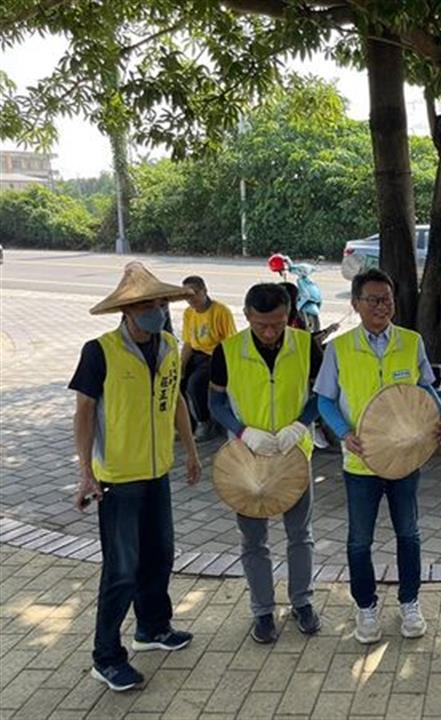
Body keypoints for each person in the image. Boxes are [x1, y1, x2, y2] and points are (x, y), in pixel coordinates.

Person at [69, 262, 201, 692]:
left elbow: (176, 397)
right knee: (122, 569)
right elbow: (85, 411)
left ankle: (153, 628)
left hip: (156, 470)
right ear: (127, 310)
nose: (156, 310)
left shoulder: (166, 345)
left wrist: (192, 451)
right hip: (118, 480)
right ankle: (106, 657)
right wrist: (85, 473)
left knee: (161, 554)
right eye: (147, 303)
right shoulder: (100, 350)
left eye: (160, 302)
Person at [315, 268, 441, 644]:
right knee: (360, 540)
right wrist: (343, 433)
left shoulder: (411, 342)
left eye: (387, 299)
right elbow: (324, 400)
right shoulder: (340, 349)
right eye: (373, 300)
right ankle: (366, 608)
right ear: (356, 304)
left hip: (406, 459)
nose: (382, 306)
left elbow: (424, 387)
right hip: (360, 464)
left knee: (409, 534)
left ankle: (410, 603)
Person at [207, 283, 323, 644]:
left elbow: (321, 395)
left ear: (289, 315)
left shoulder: (307, 346)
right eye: (261, 325)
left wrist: (300, 423)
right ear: (247, 317)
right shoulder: (227, 351)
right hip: (247, 459)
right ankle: (262, 611)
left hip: (294, 456)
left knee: (299, 535)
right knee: (253, 540)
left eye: (277, 324)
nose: (270, 332)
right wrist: (243, 432)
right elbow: (216, 404)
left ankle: (302, 602)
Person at [180, 276, 236, 441]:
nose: (191, 300)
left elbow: (229, 343)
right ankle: (186, 425)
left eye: (194, 294)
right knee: (177, 382)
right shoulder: (188, 313)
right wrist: (181, 366)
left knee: (195, 384)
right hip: (196, 354)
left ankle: (205, 422)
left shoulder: (220, 311)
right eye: (186, 296)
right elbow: (188, 343)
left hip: (215, 356)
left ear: (204, 291)